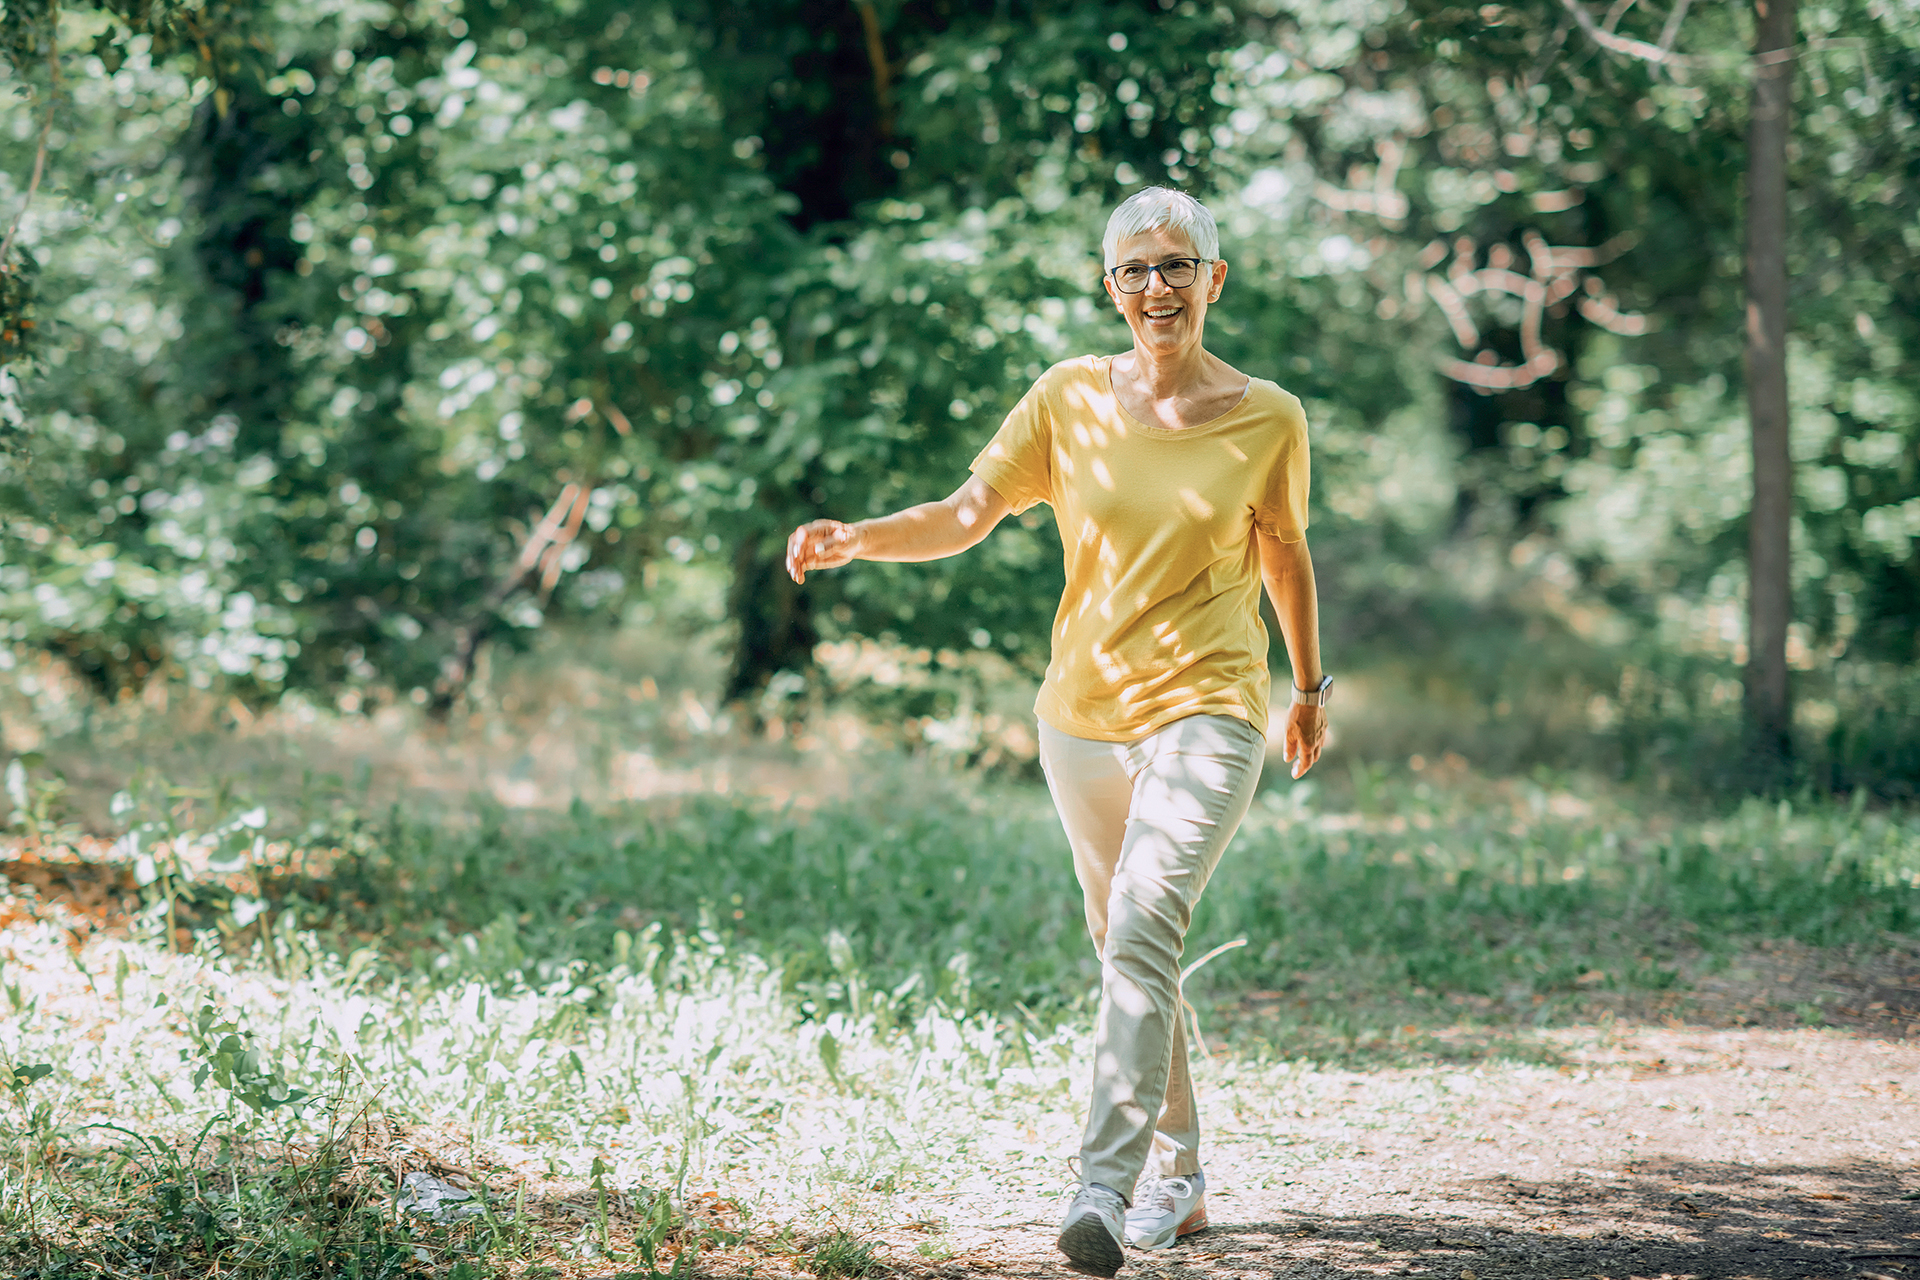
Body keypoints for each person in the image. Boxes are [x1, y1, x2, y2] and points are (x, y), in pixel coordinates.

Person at [784, 186, 1329, 1277]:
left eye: (1175, 265)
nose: (1155, 288)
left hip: (1212, 704)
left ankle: (1103, 1185)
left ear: (1213, 280)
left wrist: (1307, 687)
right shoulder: (1067, 396)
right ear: (1110, 286)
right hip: (1078, 718)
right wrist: (862, 538)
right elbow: (965, 513)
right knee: (1126, 940)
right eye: (1133, 270)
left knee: (1144, 918)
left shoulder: (1269, 415)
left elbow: (1283, 554)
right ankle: (1180, 1174)